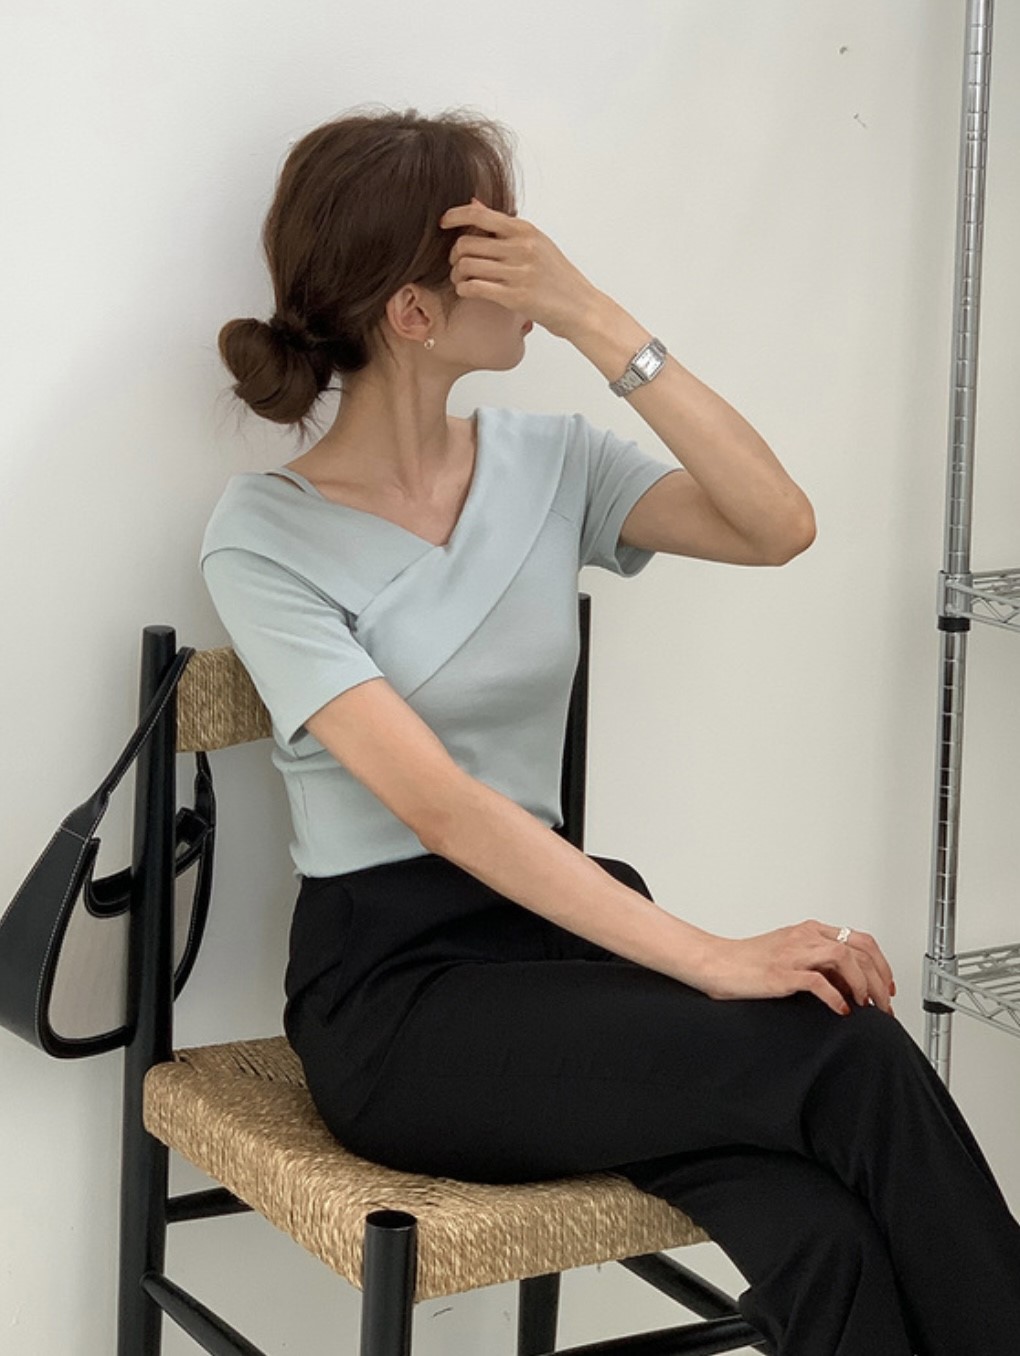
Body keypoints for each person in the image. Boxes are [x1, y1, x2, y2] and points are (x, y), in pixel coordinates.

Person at [201, 106, 1020, 1356]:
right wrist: (710, 958)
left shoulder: (550, 465)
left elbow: (778, 524)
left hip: (564, 953)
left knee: (826, 1235)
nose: (535, 259)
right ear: (415, 312)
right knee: (844, 1055)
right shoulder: (265, 534)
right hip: (402, 1003)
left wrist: (595, 319)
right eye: (500, 245)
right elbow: (442, 809)